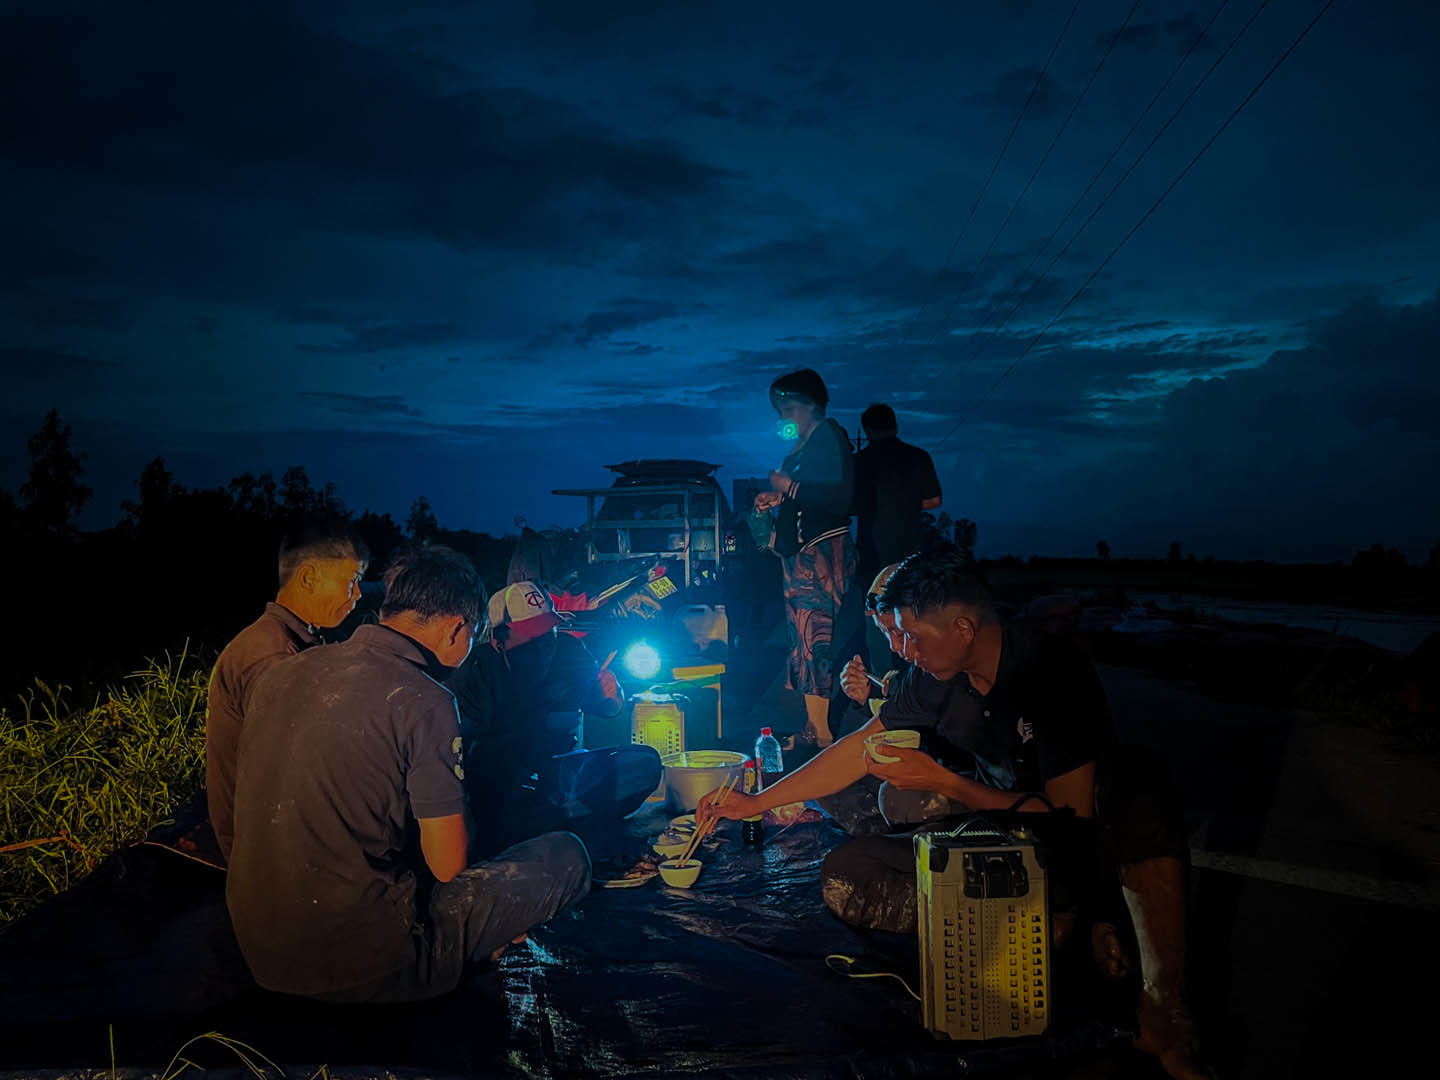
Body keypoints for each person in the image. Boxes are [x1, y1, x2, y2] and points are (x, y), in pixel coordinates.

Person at [697, 551, 1210, 1080]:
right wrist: (756, 803)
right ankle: (1045, 932)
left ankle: (1161, 1003)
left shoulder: (1047, 669)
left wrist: (942, 781)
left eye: (910, 636)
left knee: (1139, 779)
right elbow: (857, 749)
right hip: (997, 834)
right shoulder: (935, 676)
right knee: (845, 874)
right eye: (896, 637)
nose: (902, 650)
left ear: (964, 628)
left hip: (1073, 840)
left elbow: (1065, 818)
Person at [226, 546, 590, 1003]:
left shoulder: (282, 674)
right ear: (458, 627)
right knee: (567, 856)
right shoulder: (427, 699)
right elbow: (449, 865)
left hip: (258, 951)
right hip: (368, 963)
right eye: (471, 636)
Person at [446, 581, 662, 855]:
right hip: (506, 784)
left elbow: (607, 707)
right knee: (495, 803)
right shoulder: (475, 671)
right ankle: (556, 824)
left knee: (644, 763)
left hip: (562, 776)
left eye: (549, 633)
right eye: (531, 637)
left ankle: (552, 824)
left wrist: (612, 697)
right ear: (497, 640)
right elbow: (465, 759)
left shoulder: (569, 653)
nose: (544, 646)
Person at [205, 517, 369, 864]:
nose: (358, 595)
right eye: (352, 582)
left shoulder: (291, 640)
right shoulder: (272, 655)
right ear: (309, 577)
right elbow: (293, 773)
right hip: (265, 855)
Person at [753, 368, 857, 747]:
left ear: (812, 406)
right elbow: (808, 496)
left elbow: (840, 497)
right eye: (781, 410)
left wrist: (789, 487)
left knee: (816, 639)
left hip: (821, 553)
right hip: (801, 554)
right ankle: (814, 726)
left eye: (790, 408)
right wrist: (778, 499)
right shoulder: (803, 446)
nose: (784, 417)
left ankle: (823, 733)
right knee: (804, 641)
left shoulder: (828, 436)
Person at [852, 403, 942, 669]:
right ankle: (918, 680)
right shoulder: (918, 457)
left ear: (867, 430)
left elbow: (850, 505)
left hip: (873, 553)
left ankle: (884, 689)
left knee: (877, 623)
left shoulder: (859, 462)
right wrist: (908, 503)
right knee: (914, 617)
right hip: (911, 554)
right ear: (895, 426)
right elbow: (934, 500)